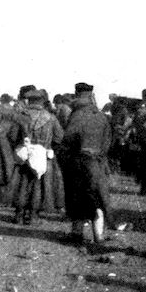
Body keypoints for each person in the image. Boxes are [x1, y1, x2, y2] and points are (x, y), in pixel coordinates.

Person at [61, 82, 113, 246]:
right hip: (98, 162)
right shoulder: (101, 115)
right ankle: (98, 235)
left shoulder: (76, 115)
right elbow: (108, 140)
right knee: (97, 197)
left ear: (77, 95)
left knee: (77, 197)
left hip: (79, 162)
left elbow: (68, 139)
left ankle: (77, 233)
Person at [9, 89, 63, 225]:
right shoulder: (50, 117)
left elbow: (13, 136)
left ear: (29, 101)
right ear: (43, 101)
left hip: (24, 154)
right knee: (38, 186)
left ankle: (19, 215)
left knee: (22, 184)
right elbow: (59, 137)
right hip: (42, 156)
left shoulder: (20, 116)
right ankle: (33, 216)